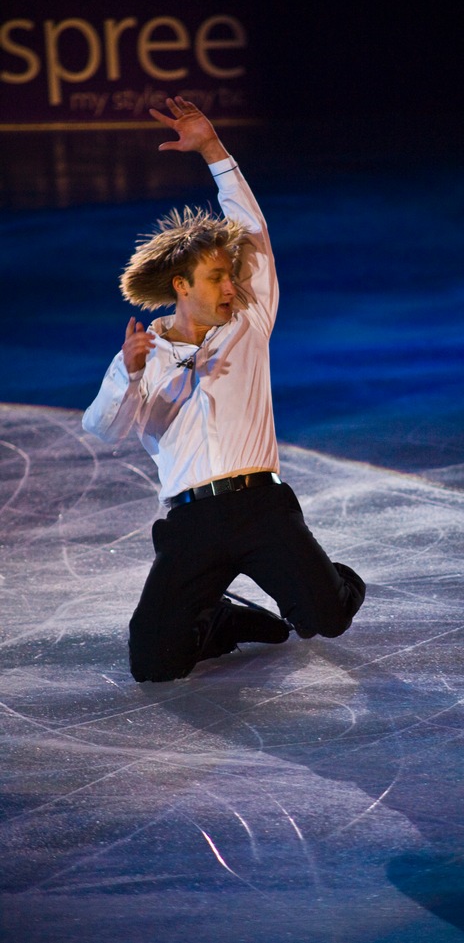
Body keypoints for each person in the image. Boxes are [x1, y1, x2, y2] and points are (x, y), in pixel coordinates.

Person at [83, 97, 366, 683]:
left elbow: (254, 234)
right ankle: (219, 621)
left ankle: (321, 579)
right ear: (182, 285)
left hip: (262, 508)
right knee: (154, 664)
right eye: (217, 279)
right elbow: (103, 429)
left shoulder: (250, 323)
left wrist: (213, 151)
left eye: (232, 278)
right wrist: (129, 374)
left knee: (326, 617)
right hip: (190, 524)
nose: (230, 289)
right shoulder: (144, 355)